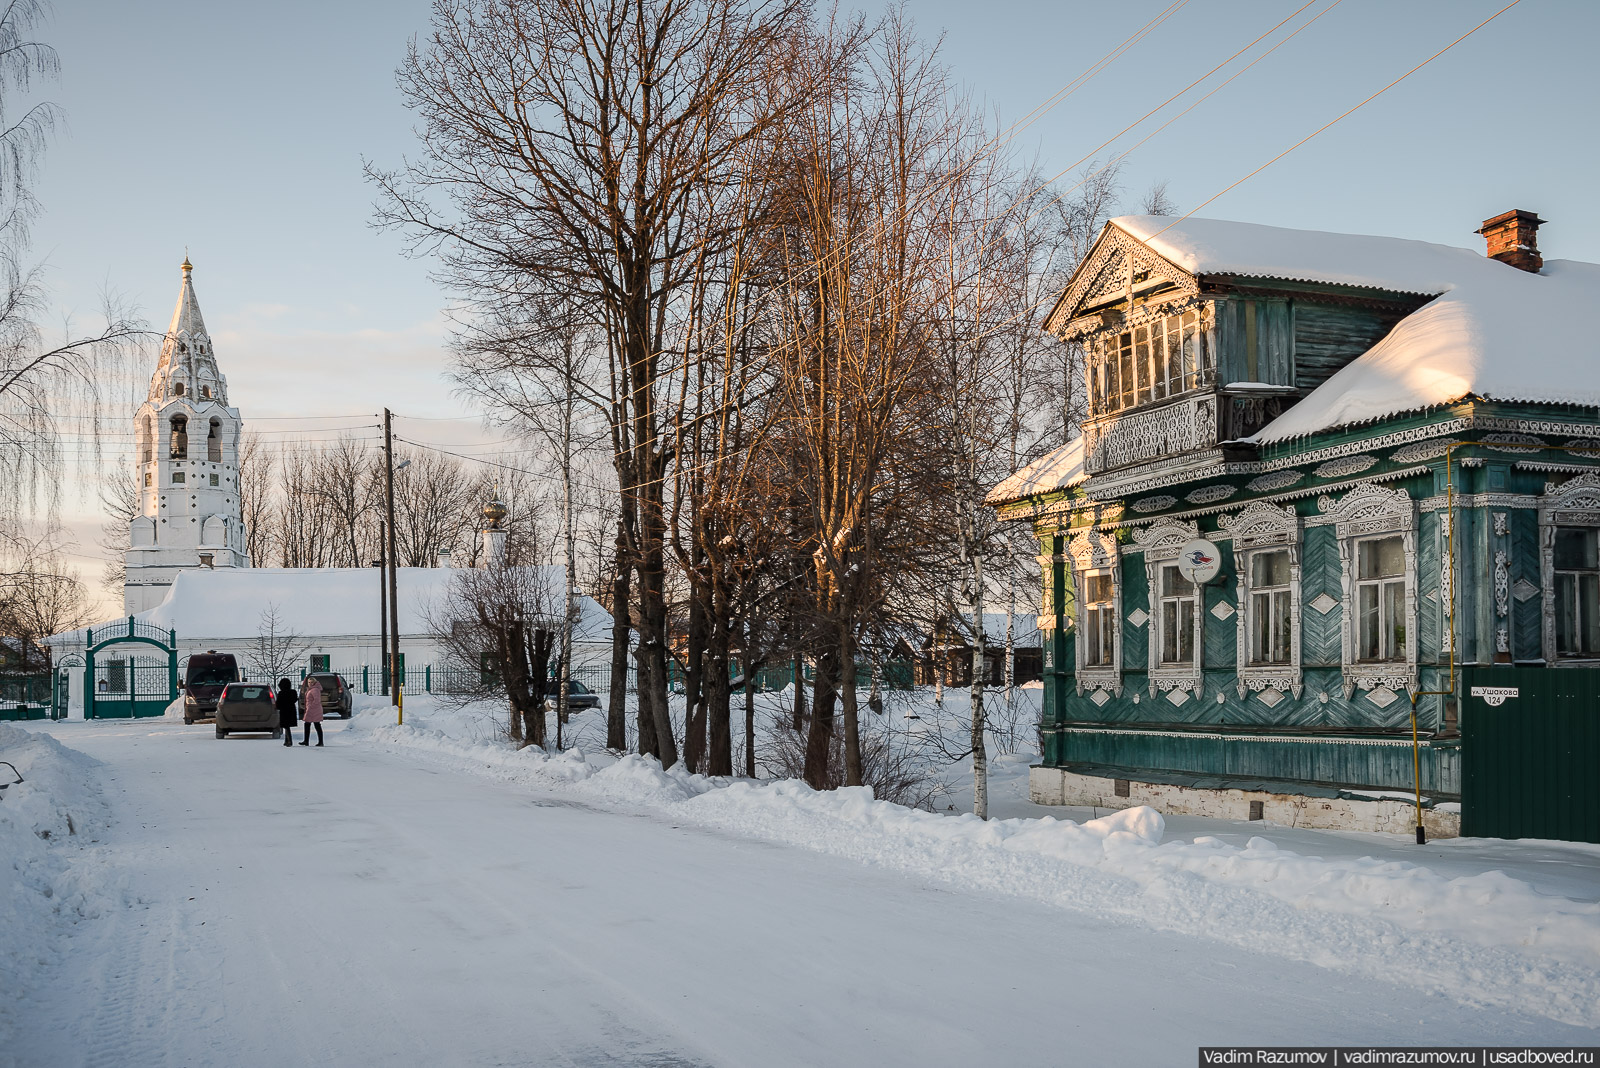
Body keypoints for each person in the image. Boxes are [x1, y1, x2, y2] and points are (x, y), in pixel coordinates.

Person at [300, 674, 325, 746]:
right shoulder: (312, 689)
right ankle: (307, 741)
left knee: (315, 725)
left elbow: (316, 700)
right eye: (309, 682)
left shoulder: (315, 690)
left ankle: (318, 741)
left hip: (313, 710)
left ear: (314, 682)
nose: (310, 683)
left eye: (311, 682)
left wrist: (310, 707)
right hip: (312, 709)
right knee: (310, 724)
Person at [274, 678, 298, 747]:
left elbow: (278, 704)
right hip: (291, 710)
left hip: (284, 711)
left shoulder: (281, 693)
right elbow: (295, 699)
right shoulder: (293, 692)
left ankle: (289, 741)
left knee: (286, 726)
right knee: (287, 726)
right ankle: (286, 740)